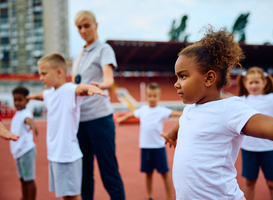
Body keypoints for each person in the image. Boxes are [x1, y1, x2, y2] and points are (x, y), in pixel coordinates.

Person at [160, 27, 273, 200]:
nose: (176, 84)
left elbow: (267, 127)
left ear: (209, 78)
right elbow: (182, 122)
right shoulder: (191, 108)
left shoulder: (229, 109)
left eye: (183, 76)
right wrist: (171, 134)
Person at [27, 53, 105, 200]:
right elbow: (43, 95)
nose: (41, 78)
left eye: (44, 74)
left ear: (59, 72)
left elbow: (79, 88)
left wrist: (89, 88)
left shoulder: (69, 90)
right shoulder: (50, 93)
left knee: (74, 195)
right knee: (64, 194)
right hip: (54, 154)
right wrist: (33, 96)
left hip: (68, 155)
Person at [72, 10, 125, 200]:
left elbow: (109, 77)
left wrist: (101, 84)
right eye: (79, 27)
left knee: (108, 171)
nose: (83, 30)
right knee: (84, 174)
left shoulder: (104, 49)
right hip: (80, 121)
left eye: (87, 25)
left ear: (96, 25)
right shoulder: (79, 54)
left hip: (99, 119)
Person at [116, 83, 182, 200]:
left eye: (154, 96)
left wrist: (188, 114)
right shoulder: (143, 110)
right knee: (148, 173)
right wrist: (121, 119)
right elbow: (131, 114)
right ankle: (149, 195)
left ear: (159, 96)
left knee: (164, 173)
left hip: (158, 147)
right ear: (146, 96)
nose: (152, 98)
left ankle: (169, 197)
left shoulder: (162, 111)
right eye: (150, 96)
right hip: (145, 147)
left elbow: (176, 114)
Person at [237, 67, 273, 200]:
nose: (253, 85)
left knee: (271, 183)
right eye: (250, 82)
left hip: (270, 148)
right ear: (245, 83)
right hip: (248, 149)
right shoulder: (240, 101)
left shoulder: (271, 99)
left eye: (257, 82)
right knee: (249, 182)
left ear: (264, 82)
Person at [10, 86, 38, 200]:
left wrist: (32, 124)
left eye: (20, 100)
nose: (17, 103)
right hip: (18, 152)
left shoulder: (26, 113)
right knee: (22, 179)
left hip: (26, 151)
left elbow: (28, 119)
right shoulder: (17, 114)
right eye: (15, 100)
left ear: (27, 100)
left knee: (29, 179)